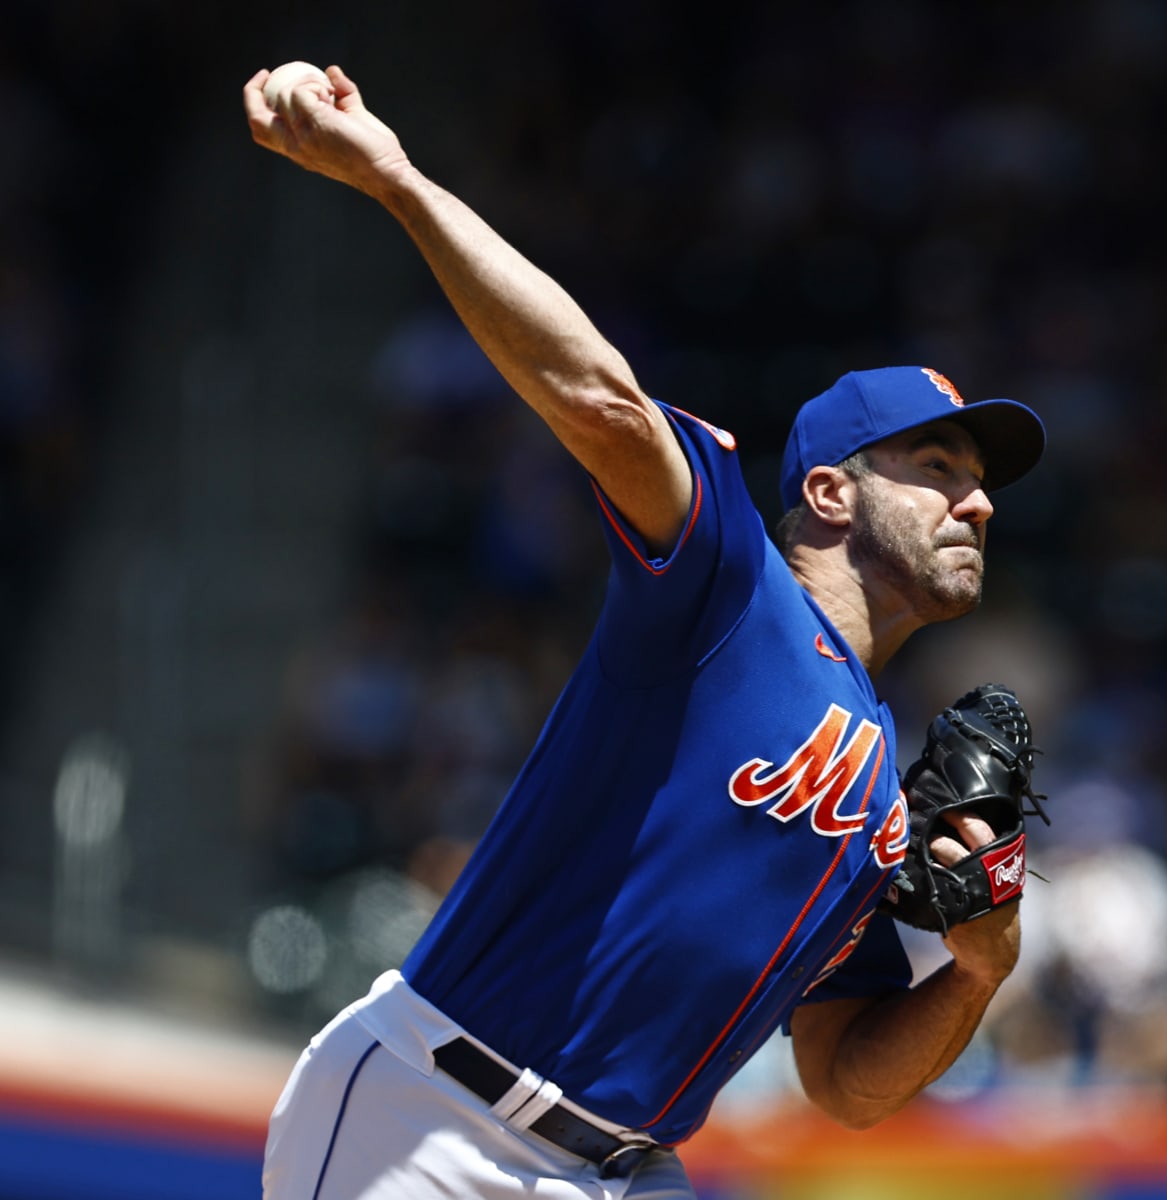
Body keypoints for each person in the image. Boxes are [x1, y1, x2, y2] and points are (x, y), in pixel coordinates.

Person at [244, 64, 1047, 1199]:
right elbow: (601, 402)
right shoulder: (727, 589)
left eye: (979, 483)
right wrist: (397, 181)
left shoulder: (878, 799)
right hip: (442, 1121)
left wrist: (974, 975)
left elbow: (846, 1084)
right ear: (828, 492)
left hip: (628, 1172)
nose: (978, 502)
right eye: (936, 469)